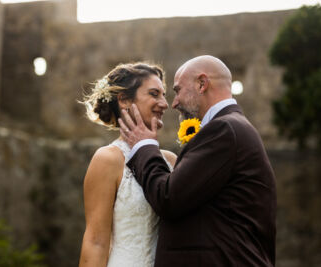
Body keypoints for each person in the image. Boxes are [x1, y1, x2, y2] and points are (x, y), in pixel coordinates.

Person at [119, 55, 277, 266]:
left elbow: (168, 198)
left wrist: (144, 146)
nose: (173, 103)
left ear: (202, 84)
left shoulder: (224, 129)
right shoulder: (232, 127)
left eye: (177, 91)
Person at [78, 62, 177, 267]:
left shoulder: (171, 161)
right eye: (154, 94)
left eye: (164, 95)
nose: (165, 103)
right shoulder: (107, 160)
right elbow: (95, 242)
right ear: (124, 100)